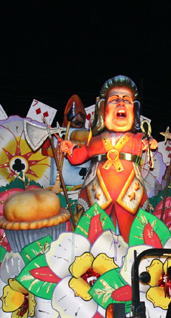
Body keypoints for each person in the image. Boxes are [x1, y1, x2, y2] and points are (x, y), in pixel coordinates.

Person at [61, 75, 158, 241]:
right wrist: (70, 150)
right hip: (96, 197)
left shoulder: (136, 139)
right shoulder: (95, 140)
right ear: (102, 109)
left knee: (132, 236)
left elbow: (147, 142)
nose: (121, 103)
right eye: (114, 99)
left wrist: (150, 143)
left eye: (126, 100)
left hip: (130, 197)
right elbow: (78, 157)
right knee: (94, 235)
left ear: (134, 110)